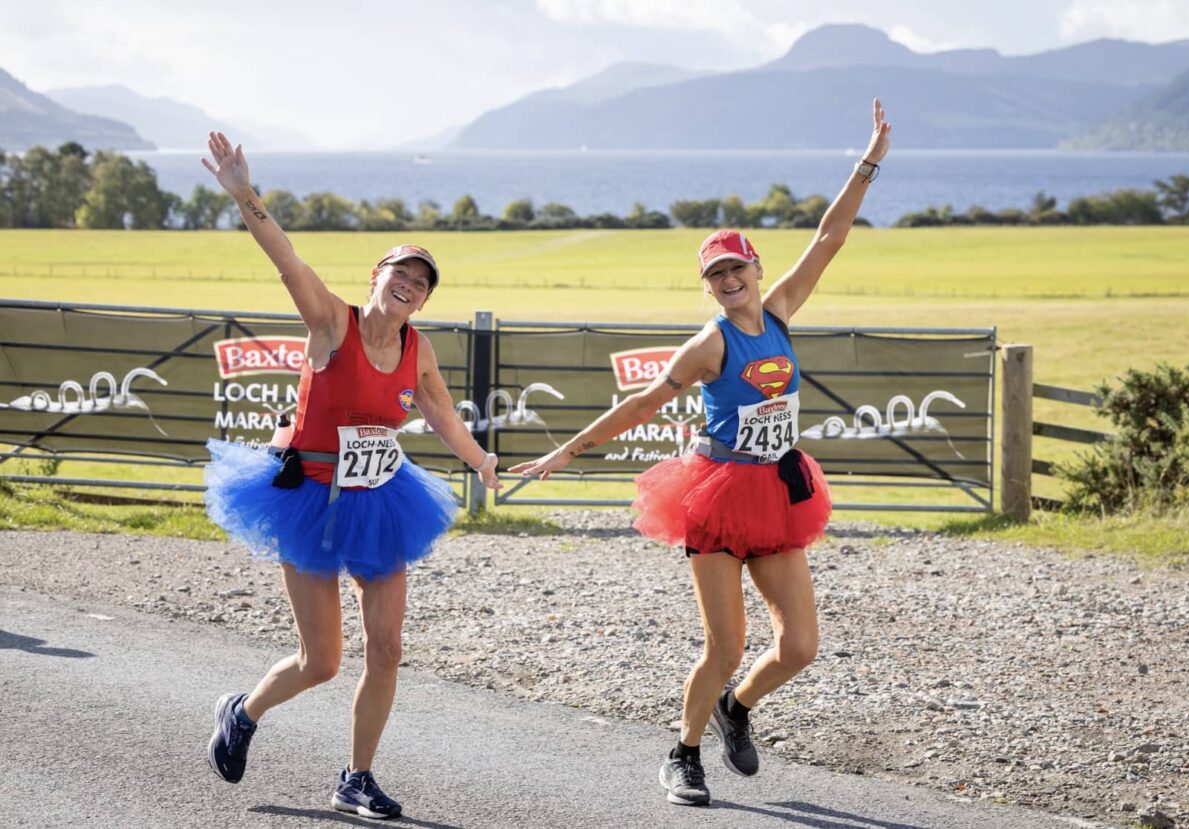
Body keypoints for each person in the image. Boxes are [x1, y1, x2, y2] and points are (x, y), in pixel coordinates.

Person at [511, 101, 891, 807]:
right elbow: (642, 405)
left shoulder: (778, 312)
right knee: (724, 644)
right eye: (715, 274)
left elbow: (829, 236)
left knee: (800, 645)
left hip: (777, 491)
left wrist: (869, 162)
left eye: (735, 267)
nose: (727, 280)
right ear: (708, 283)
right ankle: (682, 754)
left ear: (754, 265)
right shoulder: (709, 343)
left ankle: (736, 708)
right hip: (717, 493)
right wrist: (565, 452)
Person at [200, 131, 501, 820]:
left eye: (422, 283)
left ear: (423, 301)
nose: (410, 284)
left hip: (378, 499)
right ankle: (242, 711)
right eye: (402, 271)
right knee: (322, 660)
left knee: (388, 646)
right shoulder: (329, 321)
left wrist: (481, 460)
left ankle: (356, 777)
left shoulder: (417, 351)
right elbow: (286, 259)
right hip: (306, 495)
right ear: (377, 273)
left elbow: (445, 418)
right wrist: (244, 192)